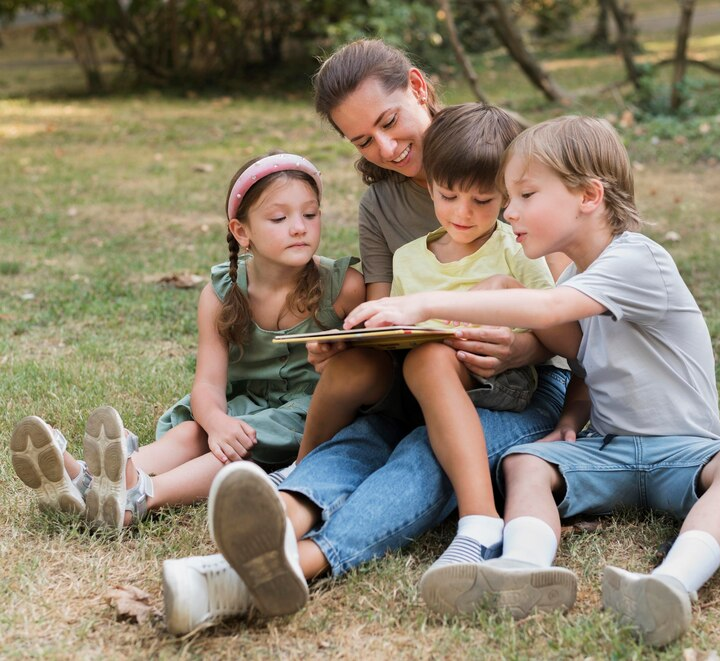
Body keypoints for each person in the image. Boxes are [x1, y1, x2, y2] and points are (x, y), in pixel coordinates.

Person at [161, 39, 572, 635]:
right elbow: (389, 320)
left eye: (389, 121)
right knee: (365, 438)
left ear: (420, 88)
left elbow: (573, 314)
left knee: (420, 457)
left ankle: (280, 569)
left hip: (519, 384)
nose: (386, 148)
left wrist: (526, 346)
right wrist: (349, 344)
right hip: (420, 379)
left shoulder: (510, 160)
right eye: (362, 141)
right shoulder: (381, 206)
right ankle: (277, 514)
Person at [342, 115, 720, 645]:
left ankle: (672, 583)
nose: (508, 211)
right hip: (608, 453)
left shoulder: (638, 259)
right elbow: (587, 361)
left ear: (589, 195)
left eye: (524, 194)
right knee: (526, 462)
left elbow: (547, 306)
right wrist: (570, 419)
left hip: (686, 454)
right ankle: (522, 568)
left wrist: (421, 302)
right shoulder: (577, 277)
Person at [10, 152, 364, 531]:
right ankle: (86, 480)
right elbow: (209, 384)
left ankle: (139, 497)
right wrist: (215, 422)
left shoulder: (343, 287)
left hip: (306, 416)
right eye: (279, 218)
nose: (299, 228)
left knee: (240, 445)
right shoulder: (222, 295)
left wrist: (229, 432)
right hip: (242, 404)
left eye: (310, 215)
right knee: (194, 431)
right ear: (242, 232)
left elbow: (365, 372)